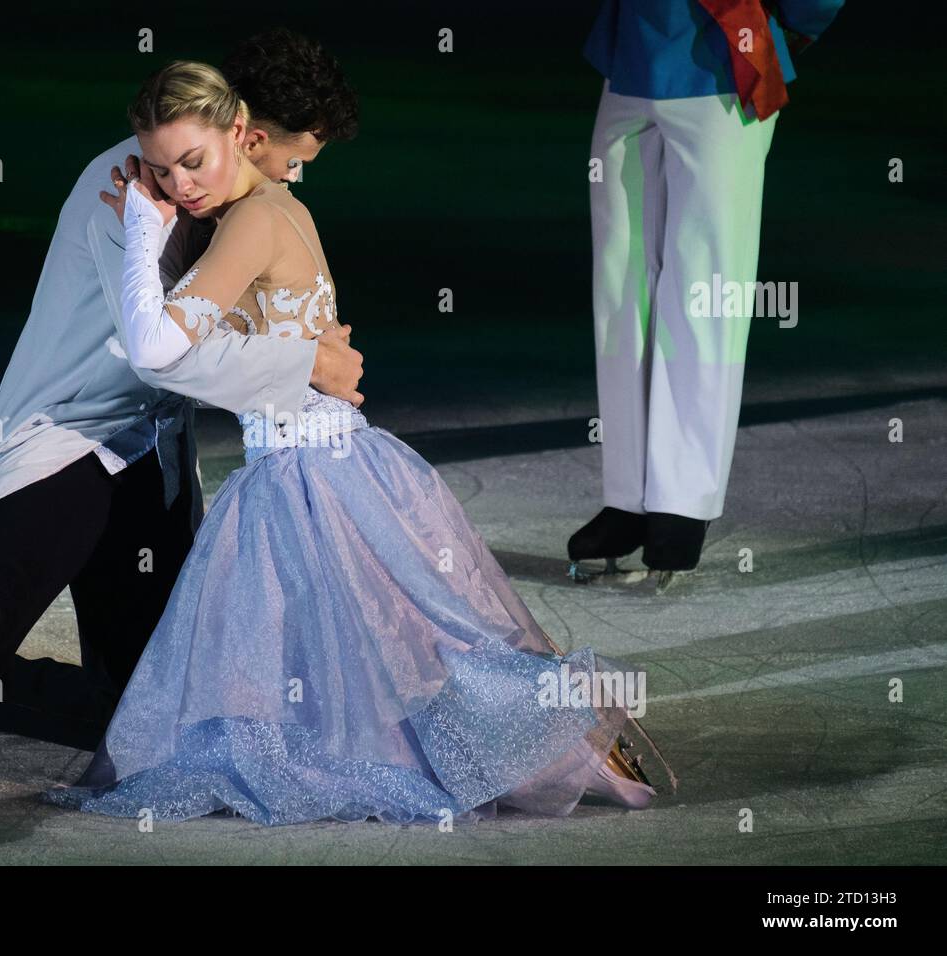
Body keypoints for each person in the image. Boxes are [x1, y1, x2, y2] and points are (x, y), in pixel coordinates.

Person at [0, 31, 363, 848]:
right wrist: (307, 365)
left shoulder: (228, 203)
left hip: (149, 457)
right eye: (296, 160)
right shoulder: (127, 189)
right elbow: (172, 354)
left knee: (151, 706)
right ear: (251, 137)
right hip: (72, 437)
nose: (297, 178)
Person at [46, 60, 665, 826]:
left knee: (413, 640)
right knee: (387, 642)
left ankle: (559, 731)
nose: (180, 184)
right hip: (326, 459)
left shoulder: (253, 222)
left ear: (241, 133)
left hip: (311, 473)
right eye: (165, 170)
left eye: (194, 161)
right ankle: (558, 730)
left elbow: (156, 345)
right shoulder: (268, 209)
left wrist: (142, 231)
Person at [568, 0, 844, 587]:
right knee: (620, 292)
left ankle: (682, 501)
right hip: (629, 62)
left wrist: (794, 25)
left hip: (726, 56)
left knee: (705, 292)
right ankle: (629, 496)